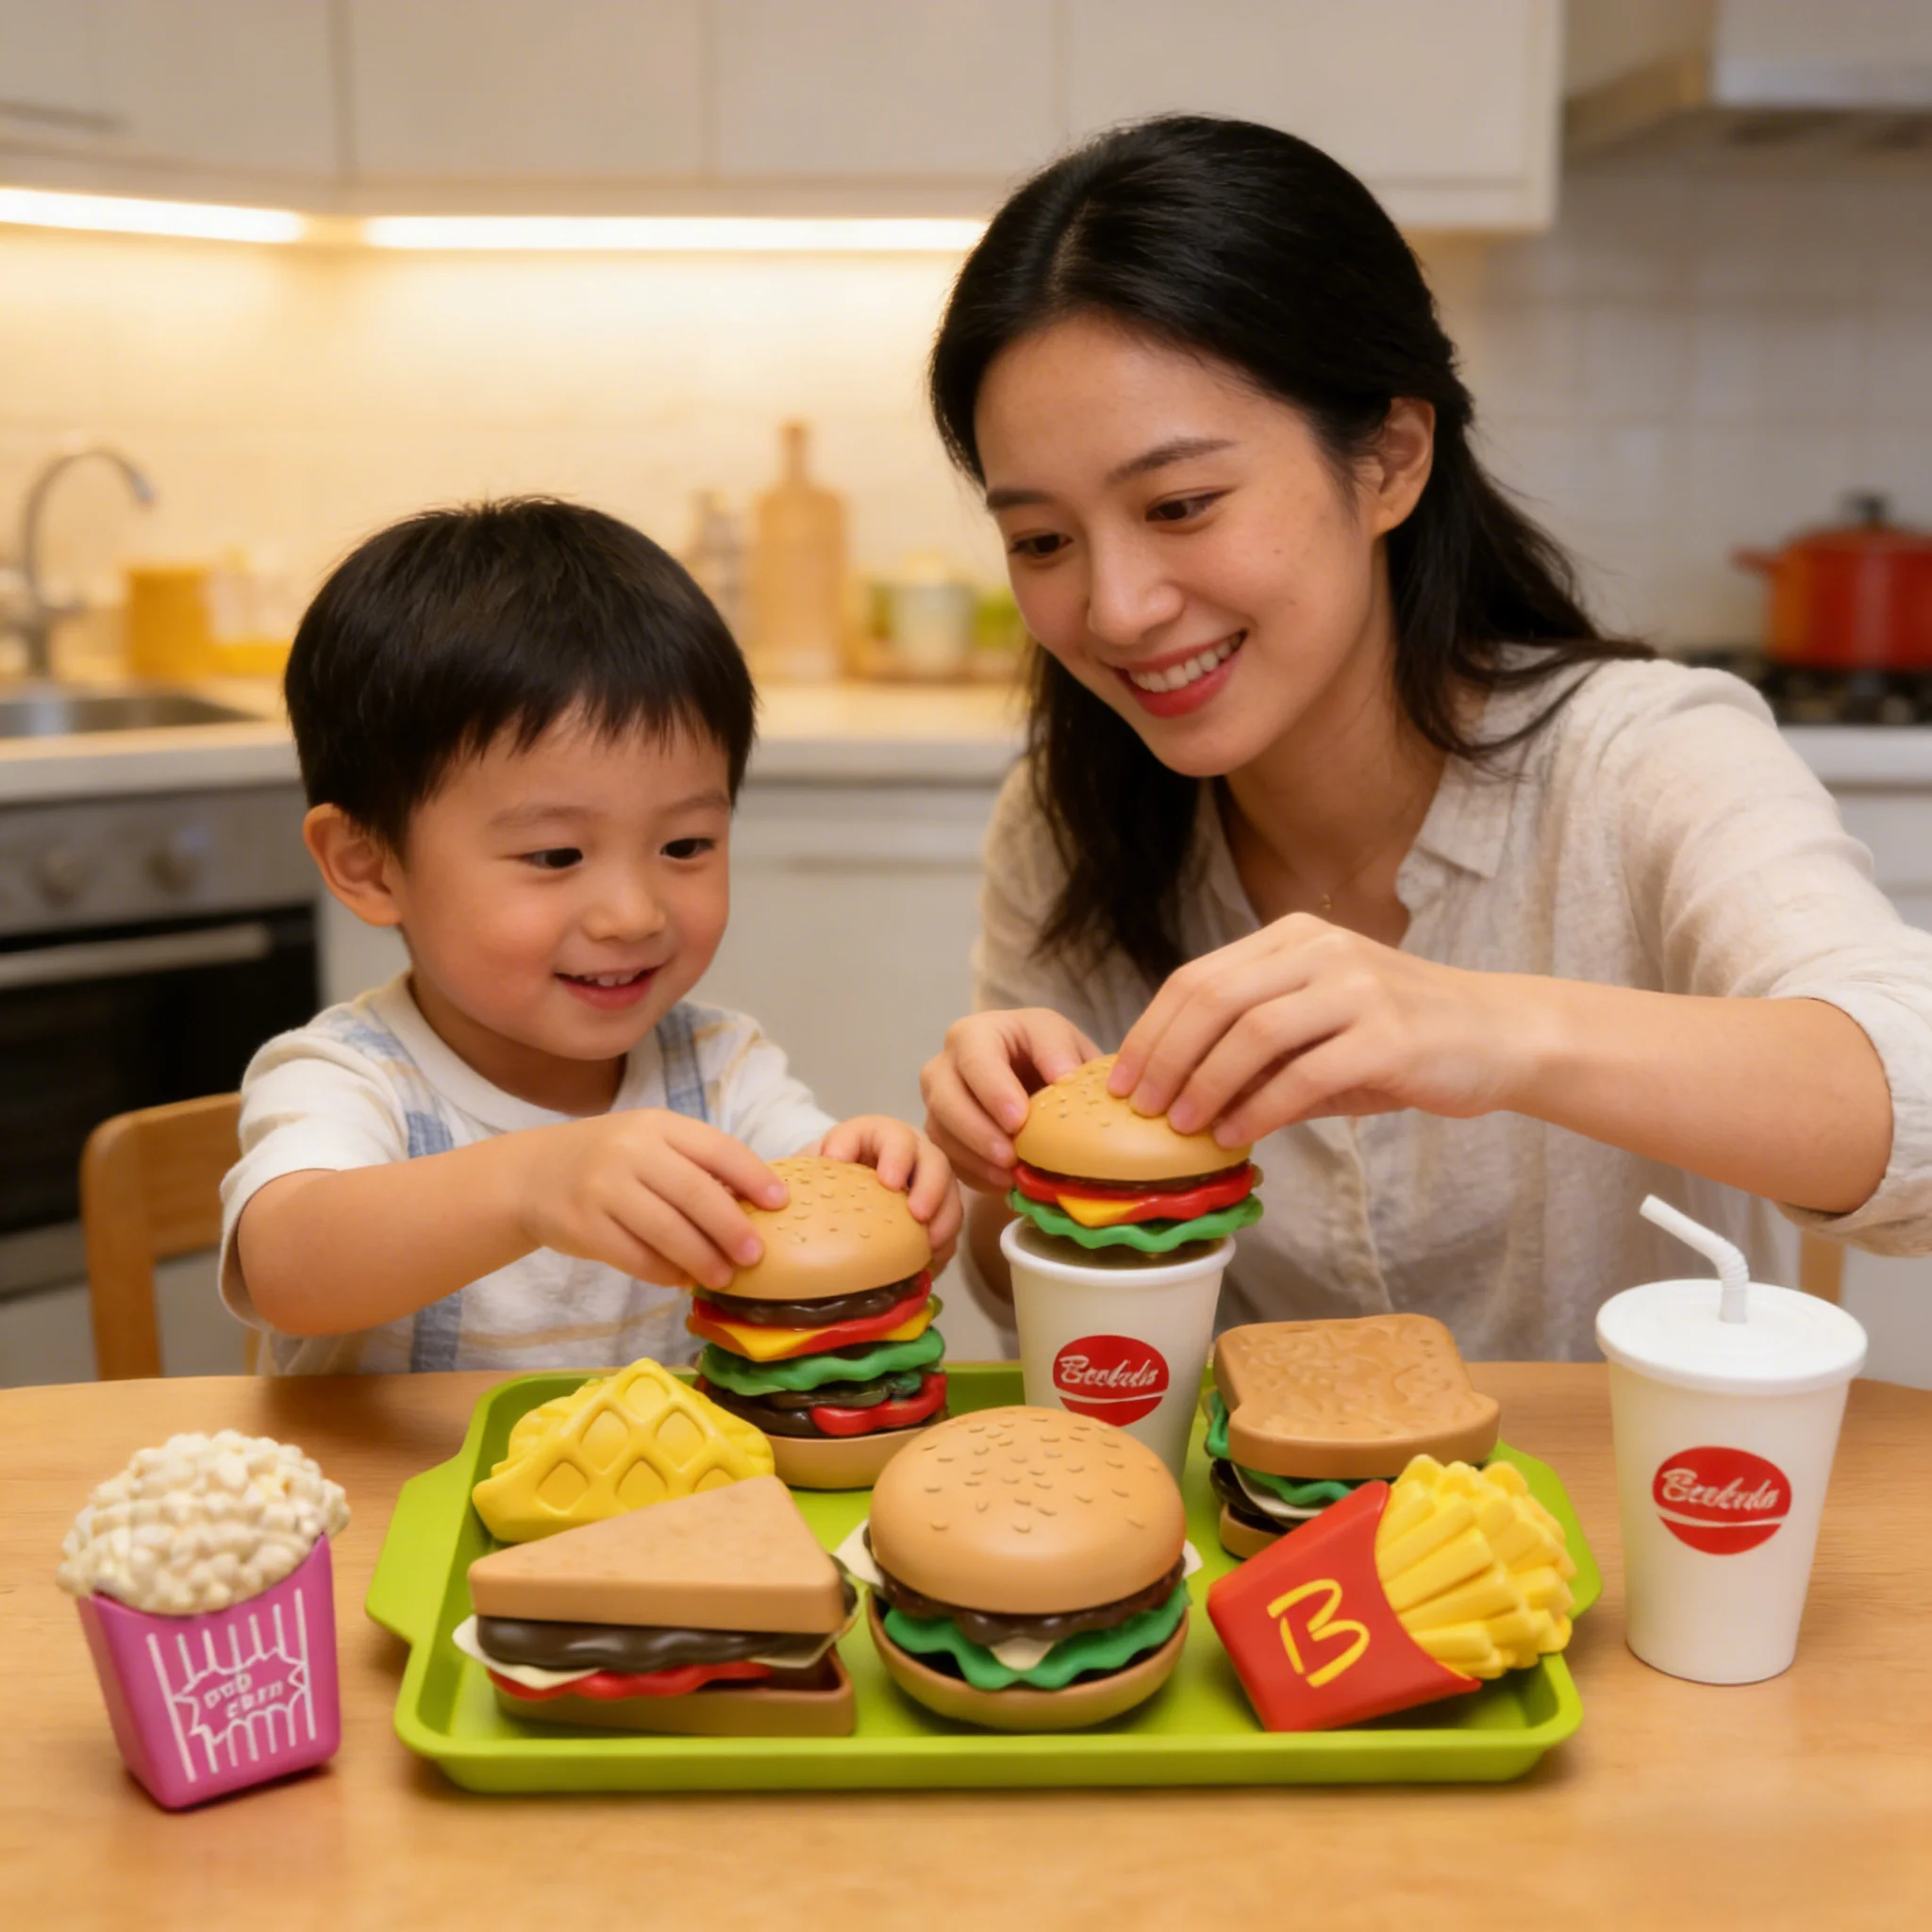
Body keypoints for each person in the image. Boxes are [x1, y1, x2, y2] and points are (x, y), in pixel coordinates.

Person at [919, 115, 1932, 1358]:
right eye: (1041, 540)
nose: (1115, 608)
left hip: (1621, 1536)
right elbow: (1037, 1309)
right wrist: (1006, 1179)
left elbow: (1911, 1094)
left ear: (1391, 460)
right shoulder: (1071, 815)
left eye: (1181, 505)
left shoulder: (1644, 758)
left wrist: (1489, 1030)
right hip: (1259, 1541)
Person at [223, 499, 958, 1374]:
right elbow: (287, 1268)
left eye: (685, 845)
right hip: (399, 1512)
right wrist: (530, 1184)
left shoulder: (719, 1071)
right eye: (555, 854)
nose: (633, 914)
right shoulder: (351, 1078)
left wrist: (886, 1189)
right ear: (370, 865)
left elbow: (822, 1235)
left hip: (680, 1510)